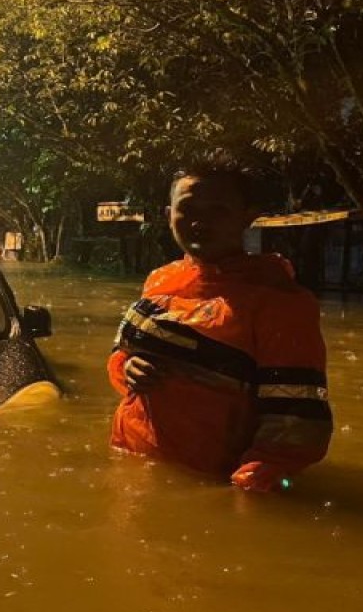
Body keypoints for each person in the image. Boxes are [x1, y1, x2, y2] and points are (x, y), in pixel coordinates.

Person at [106, 163, 333, 492]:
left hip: (207, 485)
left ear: (247, 217)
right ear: (169, 213)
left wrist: (245, 498)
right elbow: (122, 356)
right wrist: (126, 367)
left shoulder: (280, 304)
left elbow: (296, 422)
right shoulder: (160, 281)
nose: (200, 222)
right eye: (188, 209)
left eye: (218, 210)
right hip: (130, 466)